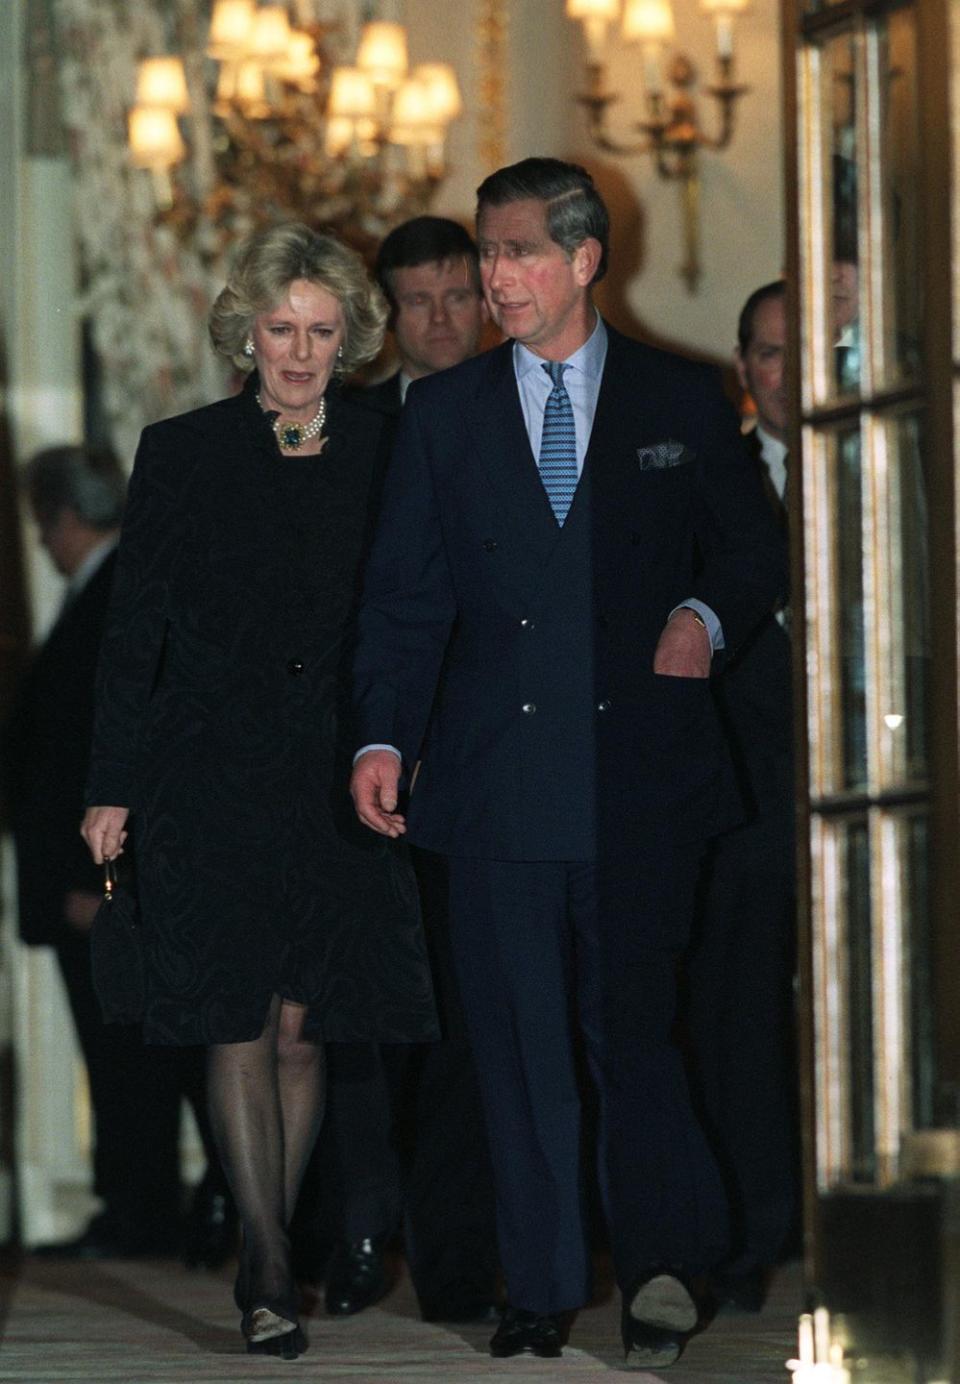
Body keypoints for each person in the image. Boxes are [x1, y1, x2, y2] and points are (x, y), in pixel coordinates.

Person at [349, 158, 788, 1368]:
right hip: (492, 788)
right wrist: (383, 737)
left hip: (642, 780)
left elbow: (752, 554)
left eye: (519, 252)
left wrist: (701, 616)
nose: (494, 278)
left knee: (633, 1035)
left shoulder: (683, 398)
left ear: (586, 259)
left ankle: (656, 1268)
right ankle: (538, 1285)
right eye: (488, 254)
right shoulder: (442, 416)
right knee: (518, 1047)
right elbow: (403, 601)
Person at [80, 223, 437, 1361]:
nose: (298, 351)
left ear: (352, 339)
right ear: (247, 331)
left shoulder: (390, 447)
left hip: (338, 775)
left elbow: (417, 613)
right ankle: (269, 1257)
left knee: (301, 1023)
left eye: (322, 331)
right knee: (235, 1009)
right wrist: (112, 786)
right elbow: (134, 632)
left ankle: (270, 1235)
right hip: (208, 774)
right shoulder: (181, 451)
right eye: (280, 329)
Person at [314, 216, 498, 1324]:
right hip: (364, 762)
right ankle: (358, 1230)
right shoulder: (349, 431)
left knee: (473, 1020)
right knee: (364, 1024)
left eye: (457, 294)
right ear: (386, 315)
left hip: (480, 763)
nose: (440, 320)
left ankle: (460, 1255)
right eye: (417, 300)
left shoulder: (534, 410)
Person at [2, 445, 225, 1261]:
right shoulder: (106, 593)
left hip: (100, 881)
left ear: (64, 517)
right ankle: (140, 1208)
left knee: (133, 1053)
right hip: (94, 877)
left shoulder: (116, 598)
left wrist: (102, 881)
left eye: (41, 522)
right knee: (132, 1052)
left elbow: (116, 752)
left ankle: (146, 1213)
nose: (39, 540)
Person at [684, 280, 800, 1312]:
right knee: (741, 1019)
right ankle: (755, 1230)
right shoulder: (712, 481)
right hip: (749, 793)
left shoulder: (903, 459)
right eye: (769, 352)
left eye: (812, 347)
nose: (792, 370)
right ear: (744, 372)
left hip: (882, 790)